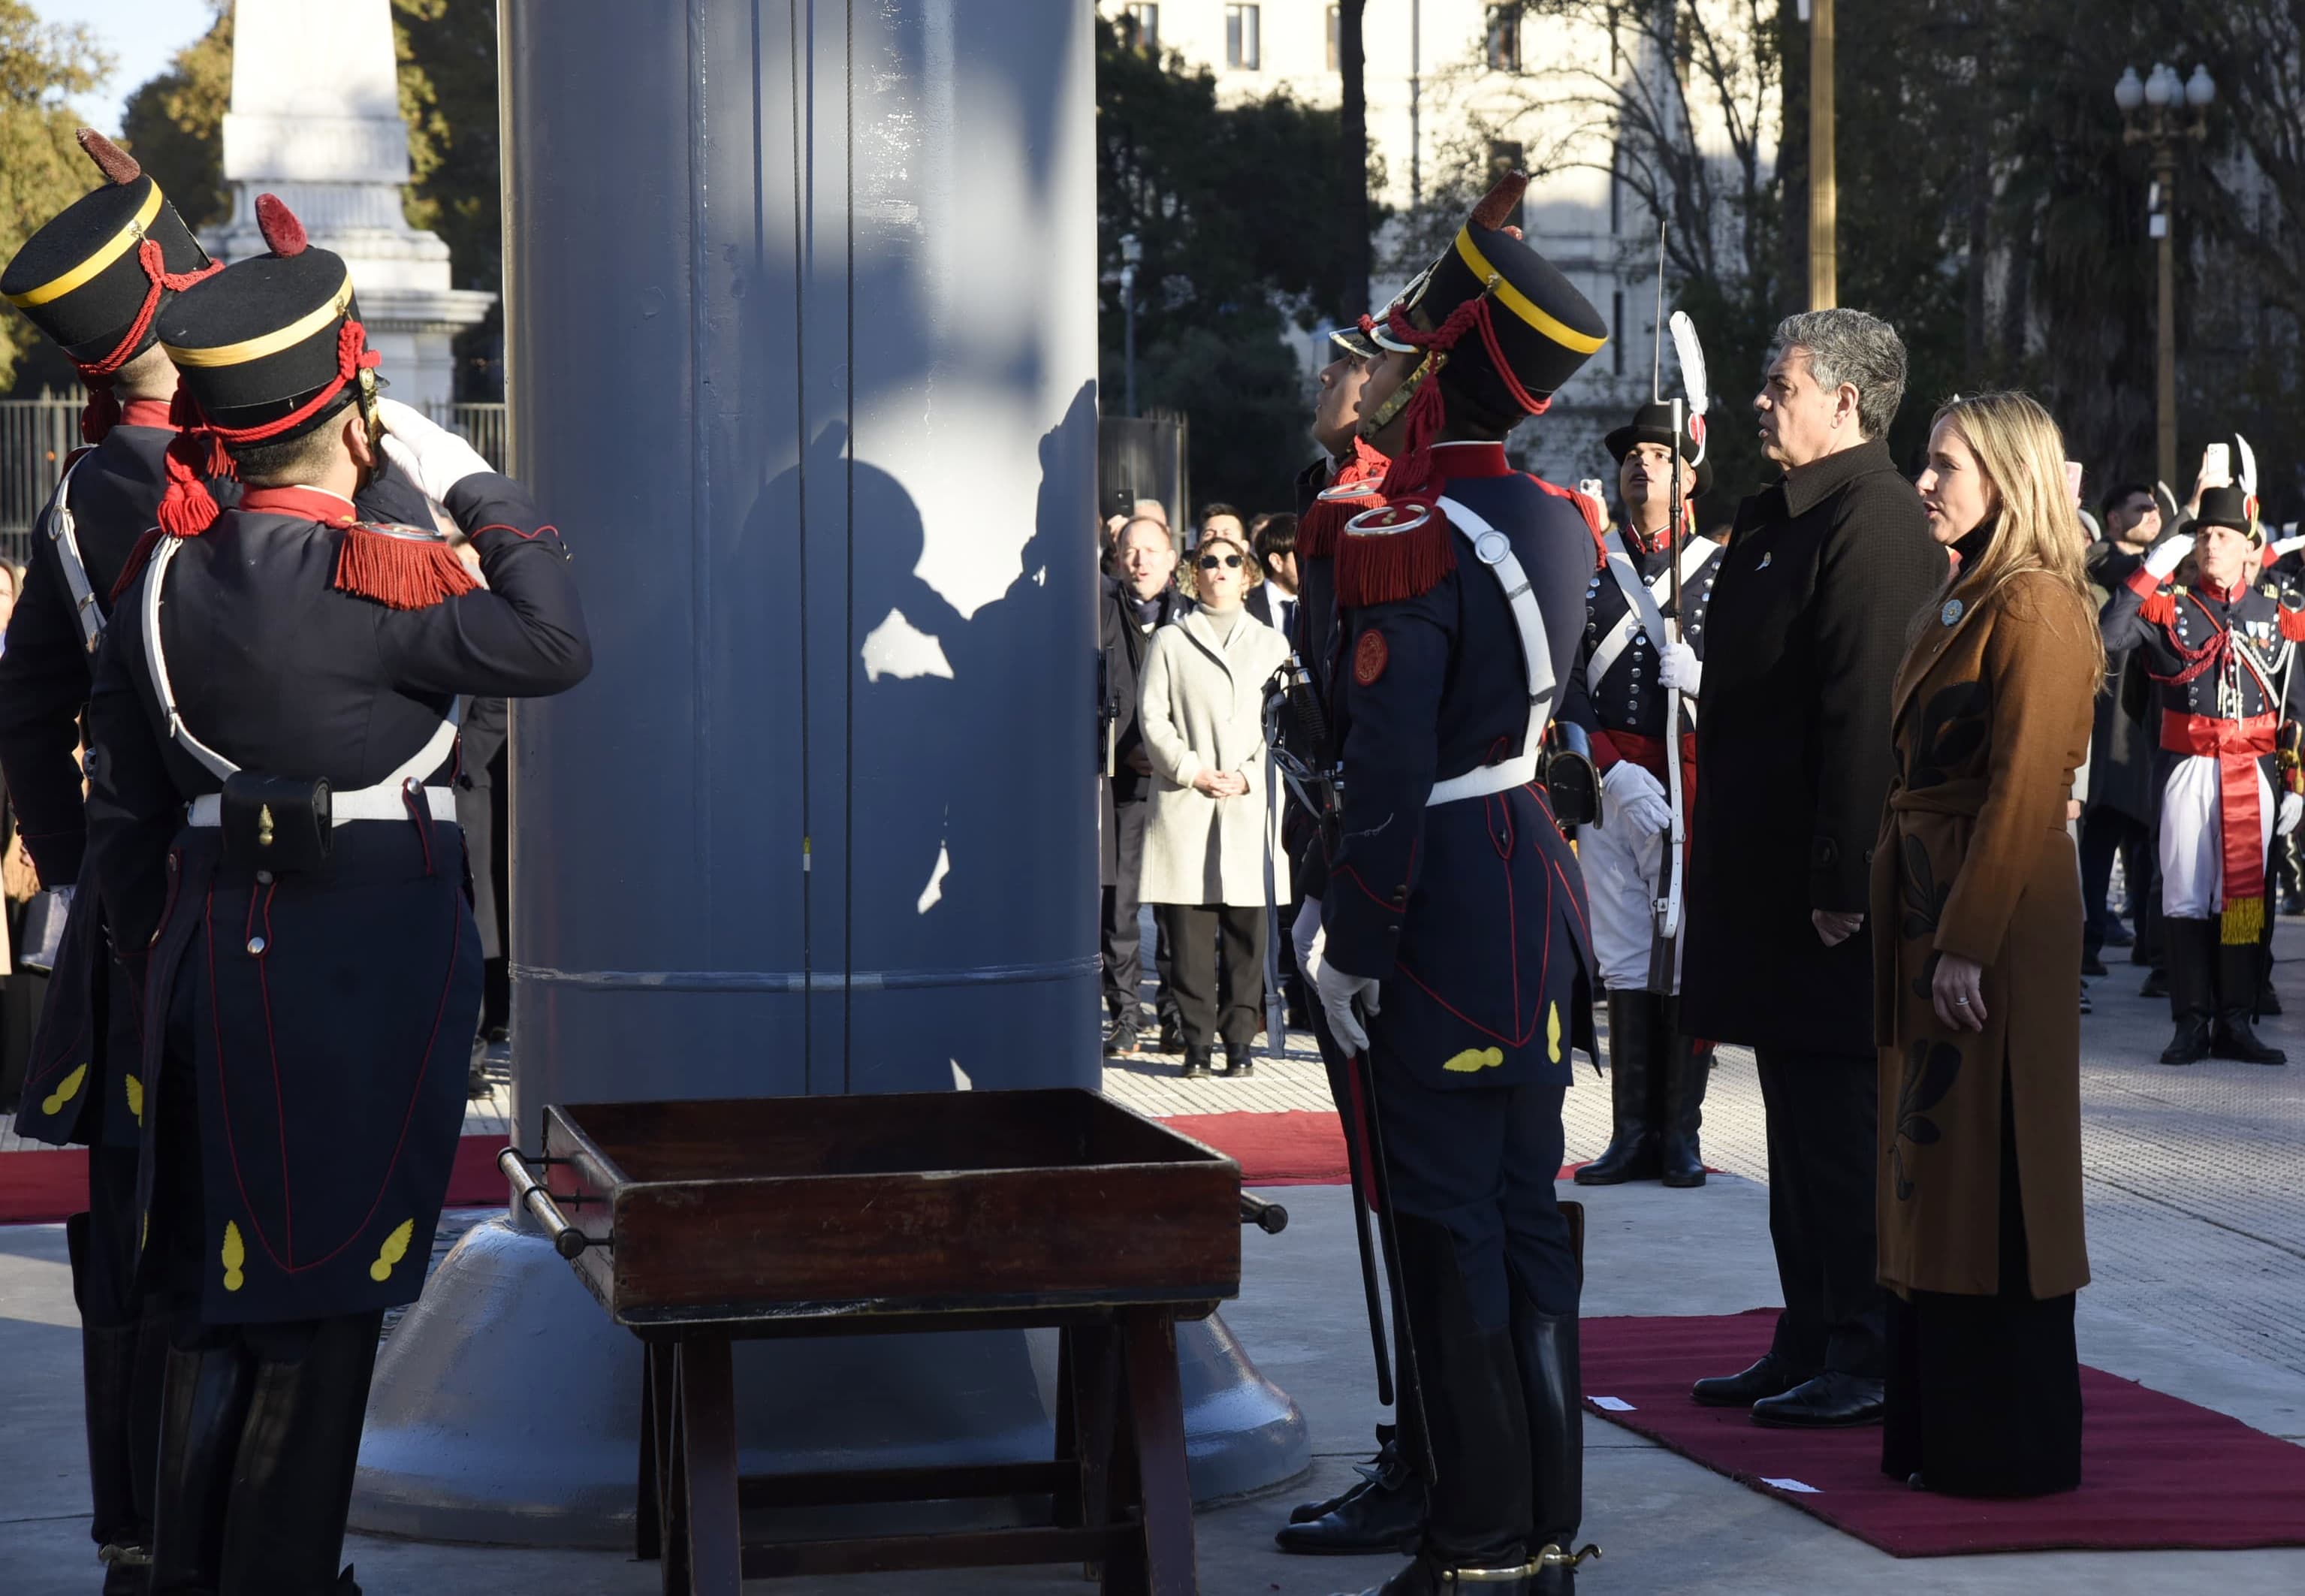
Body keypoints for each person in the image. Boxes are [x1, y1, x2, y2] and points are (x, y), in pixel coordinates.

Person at [83, 192, 591, 1594]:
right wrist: (470, 479)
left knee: (207, 1302)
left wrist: (155, 951)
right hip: (358, 969)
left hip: (200, 959)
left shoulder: (159, 577)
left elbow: (125, 811)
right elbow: (555, 640)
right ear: (356, 419)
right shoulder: (392, 582)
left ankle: (194, 1571)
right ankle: (290, 1575)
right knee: (322, 1309)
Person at [0, 133, 427, 1594]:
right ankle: (227, 1556)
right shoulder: (197, 492)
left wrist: (81, 898)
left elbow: (29, 705)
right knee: (237, 1270)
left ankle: (150, 1542)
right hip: (241, 934)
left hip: (133, 935)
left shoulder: (85, 488)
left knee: (141, 1258)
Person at [1314, 170, 1606, 1596]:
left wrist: (1353, 937)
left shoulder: (1407, 532)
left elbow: (1379, 750)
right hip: (1524, 895)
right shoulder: (1555, 518)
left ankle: (1475, 1542)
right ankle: (1542, 1528)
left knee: (1444, 1225)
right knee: (1522, 1210)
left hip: (1432, 901)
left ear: (1433, 381)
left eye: (1396, 361)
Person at [1681, 308, 1944, 1430]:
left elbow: (1860, 715)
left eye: (1780, 384)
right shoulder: (1792, 512)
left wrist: (1845, 873)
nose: (1761, 401)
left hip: (1827, 890)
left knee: (1839, 1122)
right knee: (1795, 1118)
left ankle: (1863, 1343)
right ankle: (1806, 1328)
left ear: (1844, 401)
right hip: (1768, 872)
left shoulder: (1875, 520)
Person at [1876, 392, 2101, 1496]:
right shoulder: (1969, 597)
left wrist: (1965, 939)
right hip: (1939, 909)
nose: (1925, 481)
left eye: (1945, 463)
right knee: (1942, 1166)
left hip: (1994, 919)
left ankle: (2002, 1444)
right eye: (1924, 461)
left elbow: (2021, 792)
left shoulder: (2037, 606)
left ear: (2009, 477)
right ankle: (1941, 1431)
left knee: (1994, 1166)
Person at [2099, 484, 2303, 1066]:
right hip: (2188, 769)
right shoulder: (2169, 605)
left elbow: (2299, 703)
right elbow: (2106, 635)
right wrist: (2147, 572)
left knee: (2242, 901)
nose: (2211, 544)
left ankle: (2235, 1019)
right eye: (2204, 534)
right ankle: (2190, 1022)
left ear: (2248, 547)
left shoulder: (2277, 612)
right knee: (2186, 897)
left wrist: (2297, 783)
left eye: (2224, 535)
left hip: (2254, 770)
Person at [1573, 400, 1722, 1190]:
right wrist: (1608, 767)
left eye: (1660, 456)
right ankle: (1631, 1132)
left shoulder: (1721, 572)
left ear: (1688, 477)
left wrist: (1706, 683)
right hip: (1613, 787)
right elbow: (1562, 683)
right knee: (1627, 955)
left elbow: (1764, 685)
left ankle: (1681, 1134)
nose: (1642, 465)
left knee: (1687, 951)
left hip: (1691, 782)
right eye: (1633, 454)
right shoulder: (1589, 566)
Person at [1136, 529, 1292, 1079]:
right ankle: (1198, 1044)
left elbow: (1285, 725)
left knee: (1249, 936)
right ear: (1193, 573)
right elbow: (1151, 717)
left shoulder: (1273, 645)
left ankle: (1240, 1045)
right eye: (1209, 560)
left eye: (1232, 560)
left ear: (1249, 575)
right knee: (1189, 935)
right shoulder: (1169, 642)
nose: (1220, 568)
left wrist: (1251, 776)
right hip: (1187, 803)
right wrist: (1190, 769)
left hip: (1248, 806)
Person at [1100, 515, 1190, 1055]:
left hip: (1180, 781)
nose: (1141, 561)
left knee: (1178, 905)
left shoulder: (1191, 613)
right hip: (1122, 779)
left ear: (1172, 558)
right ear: (1115, 559)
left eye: (1152, 551)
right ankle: (1126, 1015)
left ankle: (1178, 1014)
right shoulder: (1102, 608)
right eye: (1130, 551)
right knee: (1120, 904)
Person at [2080, 484, 2162, 973]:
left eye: (2156, 508)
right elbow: (2130, 578)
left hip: (2145, 737)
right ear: (2113, 519)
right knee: (2098, 848)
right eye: (2141, 508)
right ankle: (2086, 945)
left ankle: (2154, 952)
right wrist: (2190, 511)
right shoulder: (2101, 560)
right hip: (2110, 735)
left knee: (2149, 854)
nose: (2152, 514)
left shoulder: (2157, 563)